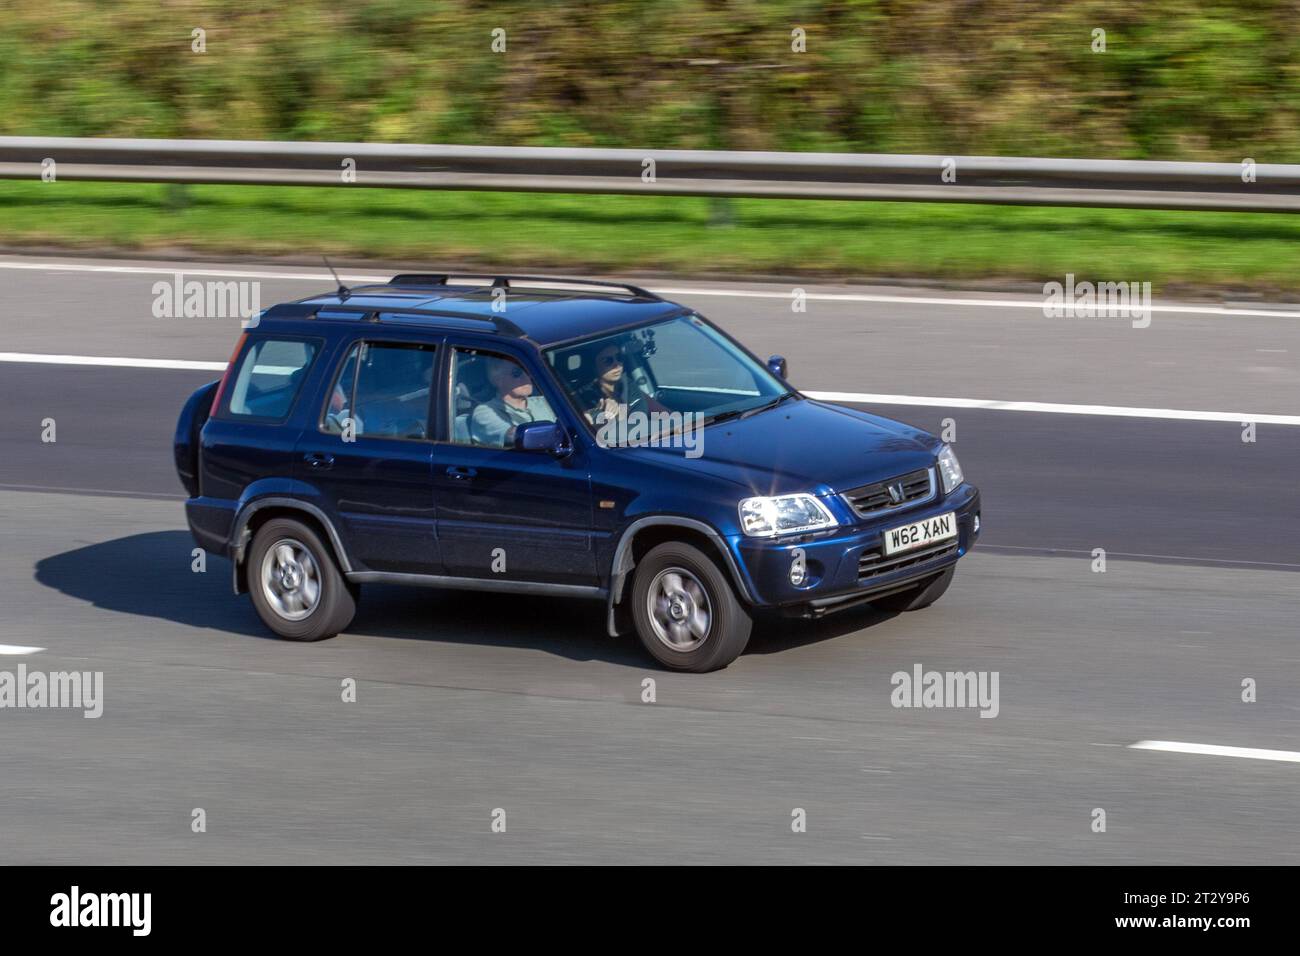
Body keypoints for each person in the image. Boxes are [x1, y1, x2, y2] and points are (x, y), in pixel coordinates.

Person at [470, 356, 555, 447]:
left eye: (528, 371)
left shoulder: (544, 402)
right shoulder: (484, 411)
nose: (526, 377)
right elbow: (513, 436)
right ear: (498, 380)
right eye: (517, 373)